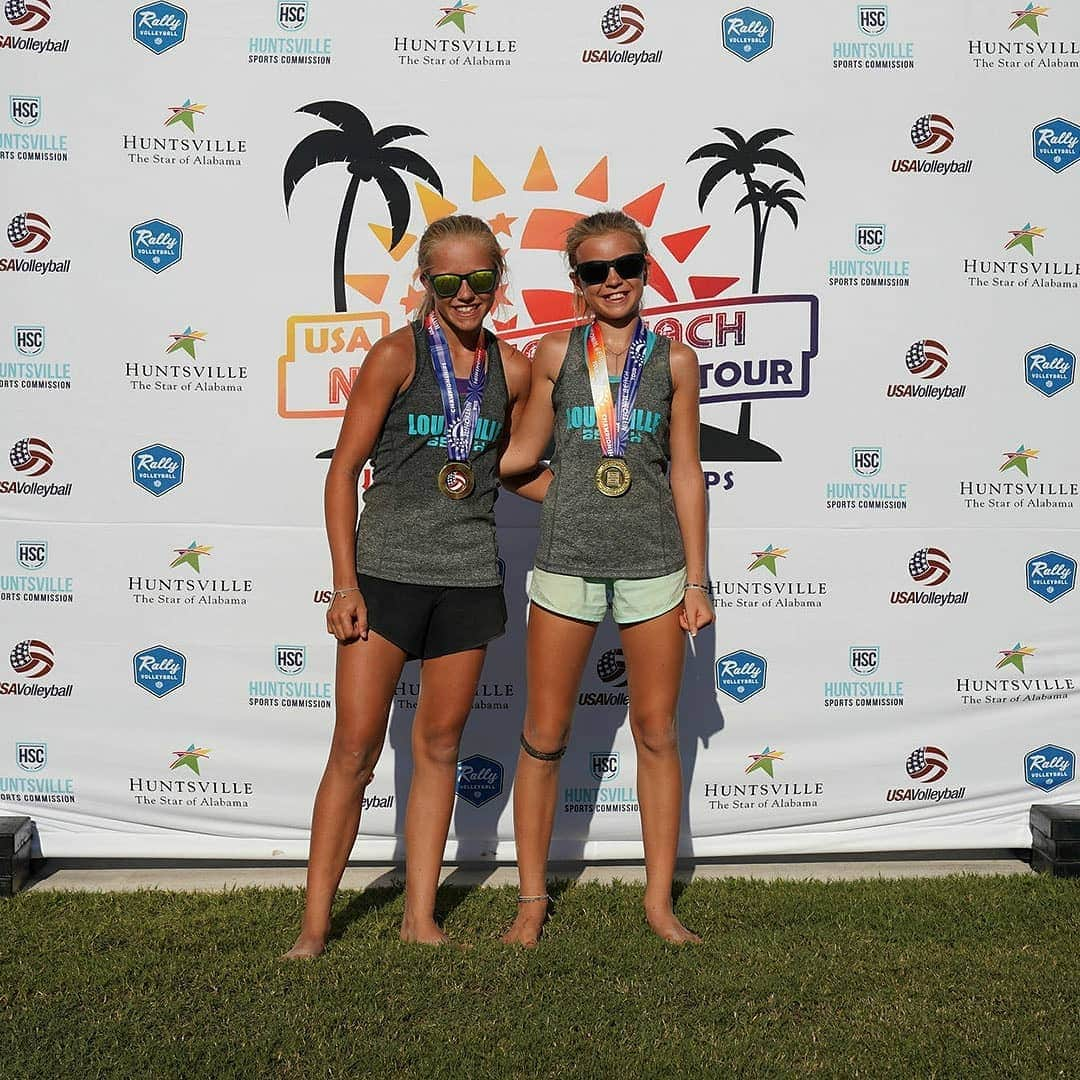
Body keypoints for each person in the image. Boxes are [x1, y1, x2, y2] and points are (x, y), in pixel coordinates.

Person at [284, 214, 541, 956]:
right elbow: (342, 472)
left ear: (499, 281)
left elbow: (512, 473)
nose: (466, 294)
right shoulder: (396, 355)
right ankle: (314, 926)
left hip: (467, 579)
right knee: (354, 752)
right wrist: (343, 584)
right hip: (386, 577)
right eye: (448, 280)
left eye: (481, 279)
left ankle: (419, 917)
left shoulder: (514, 370)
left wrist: (601, 503)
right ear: (423, 283)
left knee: (438, 748)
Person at [499, 209, 714, 946]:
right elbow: (516, 460)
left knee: (656, 732)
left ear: (646, 270)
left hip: (656, 566)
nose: (613, 280)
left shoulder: (676, 361)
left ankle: (658, 904)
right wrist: (566, 497)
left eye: (626, 266)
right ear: (578, 285)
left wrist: (699, 580)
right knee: (544, 733)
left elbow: (685, 472)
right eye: (596, 271)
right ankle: (531, 901)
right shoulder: (555, 353)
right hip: (566, 563)